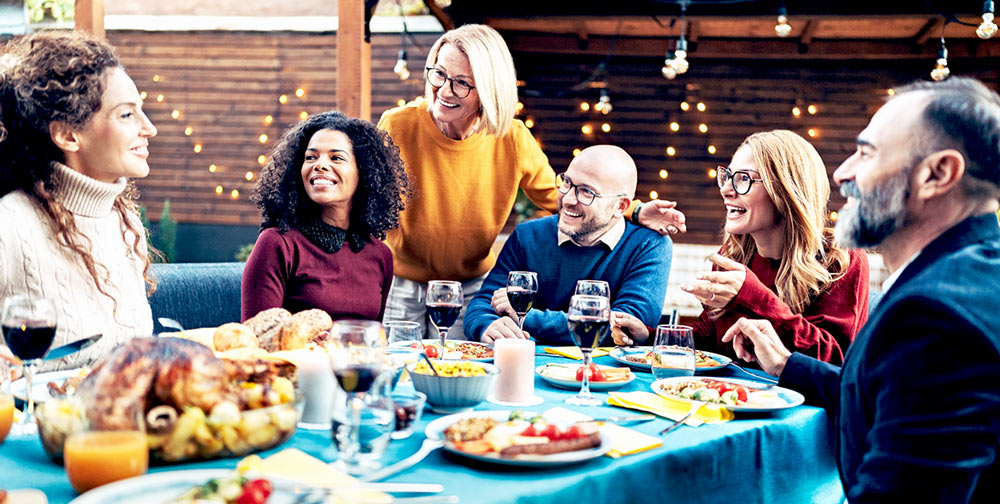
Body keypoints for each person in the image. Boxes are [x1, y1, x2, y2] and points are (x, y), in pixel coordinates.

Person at [724, 78, 1000, 504]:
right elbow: (890, 398)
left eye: (866, 153)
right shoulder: (960, 276)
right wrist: (788, 365)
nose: (842, 172)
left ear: (937, 174)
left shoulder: (936, 315)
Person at [377, 24, 686, 340]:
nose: (444, 90)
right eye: (439, 74)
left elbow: (563, 196)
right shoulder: (397, 125)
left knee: (457, 372)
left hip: (468, 284)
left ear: (488, 88)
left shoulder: (511, 138)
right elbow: (368, 199)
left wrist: (632, 211)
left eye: (461, 83)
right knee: (400, 371)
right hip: (403, 283)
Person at [611, 130, 868, 365]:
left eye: (743, 179)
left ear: (786, 189)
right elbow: (712, 337)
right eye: (727, 176)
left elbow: (835, 359)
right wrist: (650, 337)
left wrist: (753, 298)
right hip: (733, 397)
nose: (726, 190)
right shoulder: (733, 255)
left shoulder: (841, 258)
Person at [0, 32, 157, 372]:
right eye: (126, 115)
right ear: (68, 135)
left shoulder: (127, 226)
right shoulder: (10, 224)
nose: (150, 128)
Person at [463, 145, 671, 345]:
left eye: (587, 192)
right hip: (531, 365)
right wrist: (486, 325)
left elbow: (627, 327)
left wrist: (527, 317)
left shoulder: (649, 245)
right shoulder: (528, 235)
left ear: (620, 206)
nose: (568, 199)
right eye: (566, 183)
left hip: (606, 375)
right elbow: (484, 302)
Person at [242, 111, 408, 322]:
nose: (319, 165)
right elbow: (257, 338)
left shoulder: (380, 255)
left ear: (364, 172)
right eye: (310, 157)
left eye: (336, 158)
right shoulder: (277, 244)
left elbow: (373, 337)